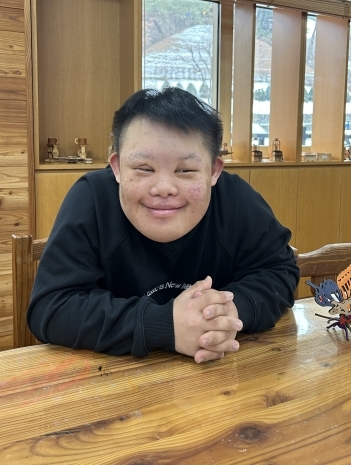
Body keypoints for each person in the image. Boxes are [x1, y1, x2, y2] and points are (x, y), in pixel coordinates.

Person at [27, 88, 299, 363]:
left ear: (214, 171)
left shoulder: (235, 200)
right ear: (117, 167)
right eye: (144, 169)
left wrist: (228, 312)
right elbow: (52, 307)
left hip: (221, 375)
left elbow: (279, 270)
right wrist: (164, 325)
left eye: (185, 170)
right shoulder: (92, 199)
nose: (164, 188)